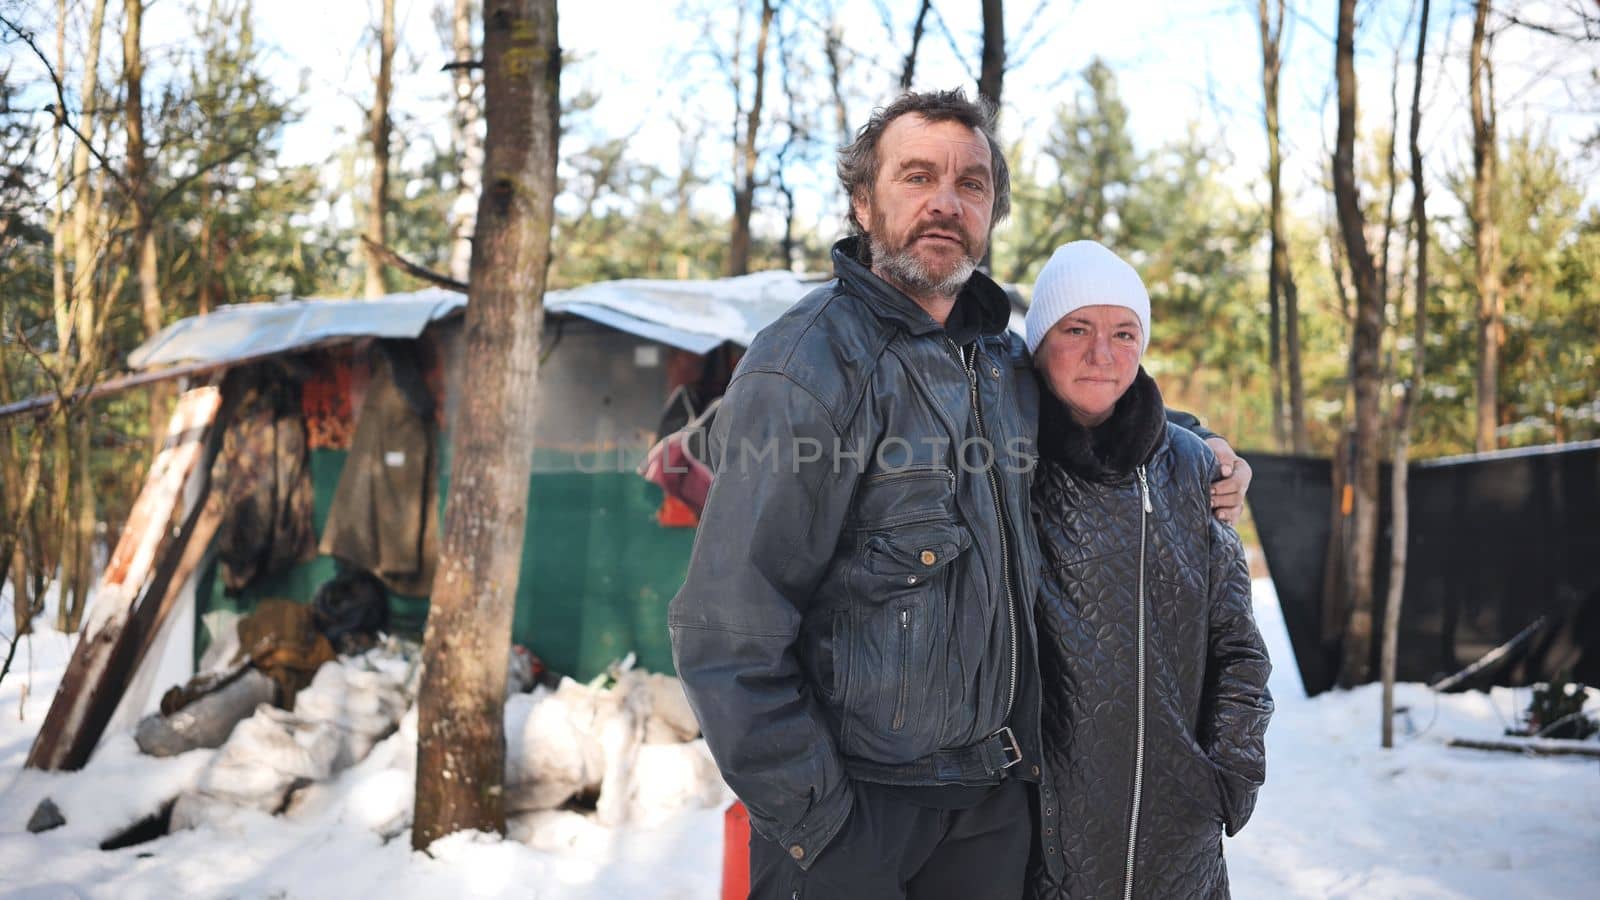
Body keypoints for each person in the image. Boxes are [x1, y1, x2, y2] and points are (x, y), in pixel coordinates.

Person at [669, 89, 1249, 900]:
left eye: (971, 184)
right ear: (864, 202)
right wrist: (823, 827)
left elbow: (1095, 399)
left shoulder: (999, 362)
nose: (945, 202)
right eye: (917, 177)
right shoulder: (805, 368)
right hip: (857, 813)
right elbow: (726, 632)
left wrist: (1196, 445)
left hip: (992, 811)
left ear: (990, 212)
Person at [1022, 241, 1274, 900]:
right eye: (1076, 329)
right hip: (1038, 841)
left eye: (1123, 333)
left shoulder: (1193, 469)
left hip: (1178, 838)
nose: (1102, 354)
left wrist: (1231, 771)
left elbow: (1238, 645)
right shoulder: (1004, 461)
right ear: (1039, 340)